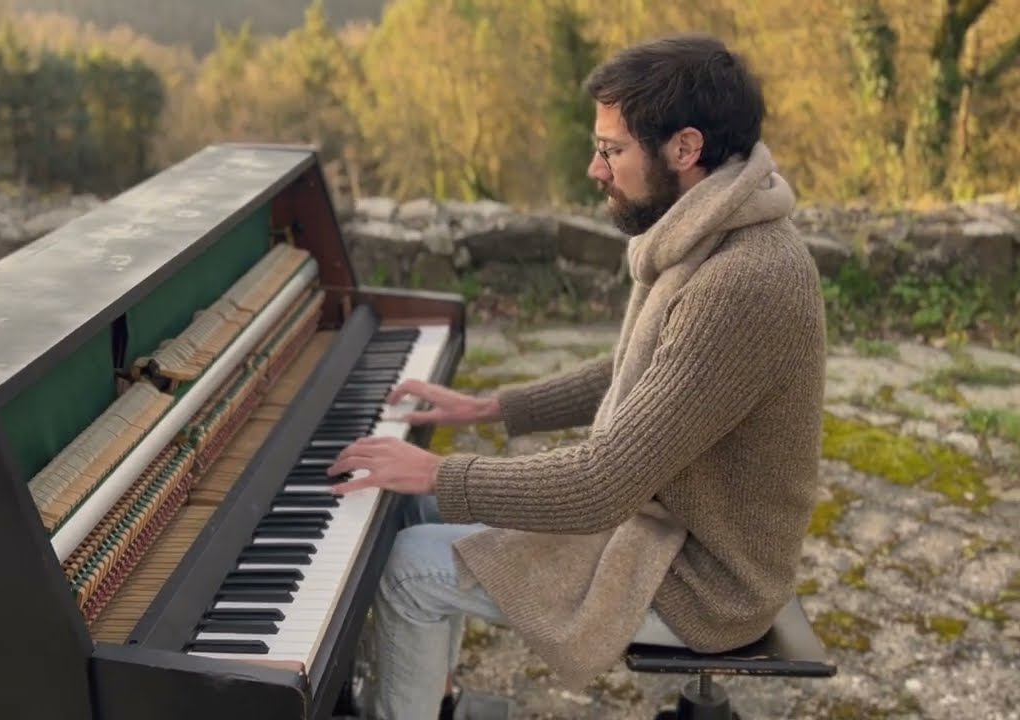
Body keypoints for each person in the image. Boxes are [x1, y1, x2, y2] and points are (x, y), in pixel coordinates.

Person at [327, 33, 828, 720]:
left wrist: (441, 473)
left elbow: (601, 486)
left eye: (611, 150)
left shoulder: (741, 278)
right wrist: (488, 408)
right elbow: (642, 374)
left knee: (410, 566)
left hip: (705, 579)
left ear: (684, 150)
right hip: (666, 527)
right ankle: (434, 700)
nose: (595, 168)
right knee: (411, 511)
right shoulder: (712, 229)